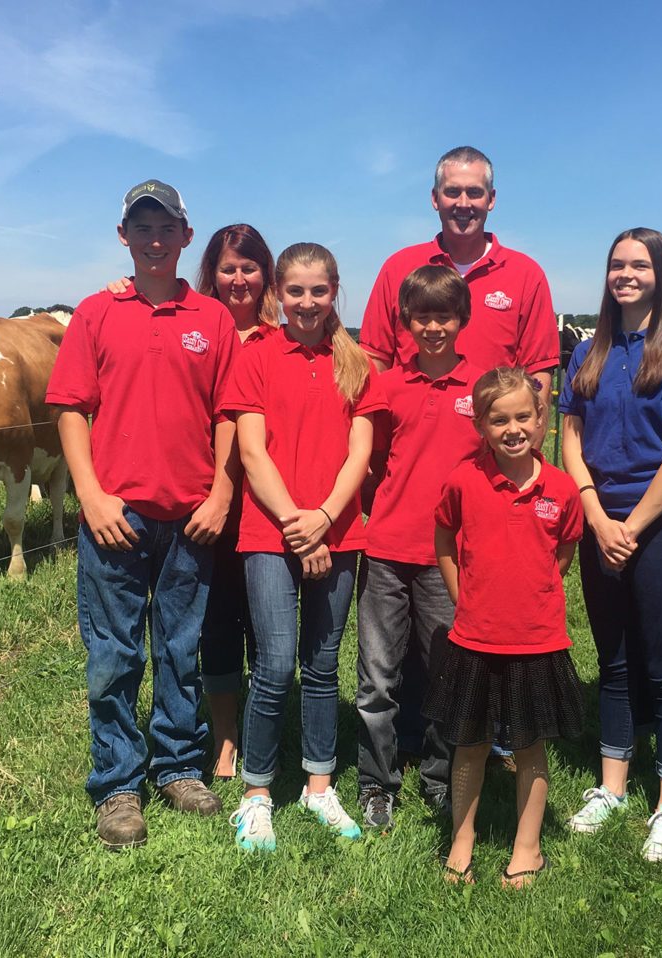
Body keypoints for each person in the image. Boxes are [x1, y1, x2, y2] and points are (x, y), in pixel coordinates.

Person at [49, 179, 239, 850]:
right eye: (142, 226)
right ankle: (118, 784)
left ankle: (179, 766)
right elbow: (71, 408)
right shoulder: (97, 313)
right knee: (114, 654)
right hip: (115, 515)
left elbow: (230, 414)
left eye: (167, 227)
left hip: (191, 516)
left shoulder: (212, 320)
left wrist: (220, 494)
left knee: (180, 649)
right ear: (123, 236)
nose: (155, 238)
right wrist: (92, 496)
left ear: (187, 237)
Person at [558, 227, 662, 861]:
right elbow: (568, 438)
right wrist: (596, 515)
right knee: (614, 658)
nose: (626, 274)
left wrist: (633, 526)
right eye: (617, 264)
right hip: (602, 521)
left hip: (661, 526)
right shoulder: (587, 353)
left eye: (639, 265)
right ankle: (613, 784)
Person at [218, 242, 372, 849]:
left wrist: (326, 518)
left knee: (322, 663)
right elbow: (251, 450)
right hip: (267, 530)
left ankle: (318, 785)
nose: (308, 302)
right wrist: (295, 523)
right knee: (277, 661)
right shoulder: (256, 355)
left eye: (320, 290)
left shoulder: (356, 362)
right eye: (296, 291)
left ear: (336, 291)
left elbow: (361, 451)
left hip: (338, 529)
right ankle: (256, 792)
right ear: (278, 295)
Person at [430, 366, 585, 888]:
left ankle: (528, 846)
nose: (513, 428)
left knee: (529, 747)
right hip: (475, 637)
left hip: (537, 641)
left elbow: (562, 552)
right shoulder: (462, 480)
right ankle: (462, 838)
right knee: (470, 744)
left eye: (524, 416)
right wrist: (463, 596)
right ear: (481, 425)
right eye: (499, 420)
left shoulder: (562, 490)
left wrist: (534, 592)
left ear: (542, 418)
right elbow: (445, 541)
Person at [349, 265, 486, 830]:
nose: (433, 327)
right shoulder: (387, 385)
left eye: (444, 316)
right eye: (422, 316)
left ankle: (437, 777)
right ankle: (377, 783)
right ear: (404, 320)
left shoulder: (480, 387)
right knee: (378, 676)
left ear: (462, 320)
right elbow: (372, 459)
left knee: (444, 671)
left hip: (449, 557)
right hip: (386, 548)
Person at [358, 146, 561, 392]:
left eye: (474, 192)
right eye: (452, 192)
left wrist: (532, 428)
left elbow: (537, 371)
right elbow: (375, 359)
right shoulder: (398, 268)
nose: (463, 204)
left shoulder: (526, 275)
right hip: (408, 428)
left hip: (491, 429)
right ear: (435, 198)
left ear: (491, 199)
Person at [193, 224, 276, 781]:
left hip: (269, 501)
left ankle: (263, 731)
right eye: (228, 268)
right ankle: (225, 740)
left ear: (266, 273)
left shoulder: (285, 336)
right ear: (212, 274)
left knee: (267, 626)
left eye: (249, 267)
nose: (239, 278)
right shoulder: (197, 329)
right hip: (209, 498)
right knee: (217, 622)